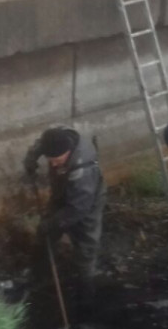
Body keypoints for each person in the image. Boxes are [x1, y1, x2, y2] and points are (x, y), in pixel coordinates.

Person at [23, 127, 106, 313]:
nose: (52, 165)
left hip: (87, 204)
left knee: (86, 245)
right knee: (45, 233)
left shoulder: (83, 171)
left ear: (68, 153)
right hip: (63, 192)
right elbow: (40, 145)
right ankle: (38, 274)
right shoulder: (55, 139)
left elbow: (77, 210)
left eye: (57, 160)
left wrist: (52, 223)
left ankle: (86, 293)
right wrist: (31, 159)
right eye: (50, 160)